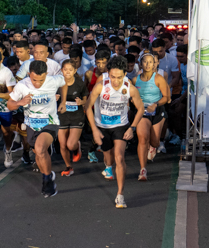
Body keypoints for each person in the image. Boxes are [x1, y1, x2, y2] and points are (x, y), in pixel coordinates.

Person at [85, 56, 145, 208]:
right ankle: (107, 166)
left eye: (119, 77)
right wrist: (94, 130)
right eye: (112, 77)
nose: (116, 81)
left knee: (119, 157)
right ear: (108, 73)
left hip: (120, 126)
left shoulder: (129, 88)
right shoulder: (100, 86)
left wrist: (132, 128)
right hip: (102, 127)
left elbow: (140, 109)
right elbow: (87, 107)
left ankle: (120, 195)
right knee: (109, 158)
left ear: (125, 74)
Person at [8, 60, 67, 198]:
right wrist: (19, 103)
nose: (38, 84)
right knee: (38, 154)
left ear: (46, 74)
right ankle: (48, 174)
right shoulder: (22, 85)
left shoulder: (53, 80)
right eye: (34, 80)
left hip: (50, 123)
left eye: (41, 80)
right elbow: (10, 105)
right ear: (29, 74)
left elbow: (64, 83)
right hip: (31, 125)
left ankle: (47, 181)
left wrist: (62, 101)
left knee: (40, 149)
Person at [133, 53, 170, 179]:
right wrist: (133, 101)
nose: (148, 65)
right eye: (145, 62)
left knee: (154, 142)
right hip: (142, 113)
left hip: (157, 111)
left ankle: (153, 146)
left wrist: (156, 104)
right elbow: (132, 96)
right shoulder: (135, 79)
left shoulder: (158, 78)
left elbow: (166, 97)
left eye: (150, 62)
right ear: (140, 64)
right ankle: (143, 170)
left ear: (154, 64)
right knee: (143, 138)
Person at [57, 59, 89, 177]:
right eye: (65, 70)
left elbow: (86, 98)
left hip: (76, 116)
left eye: (70, 70)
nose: (68, 72)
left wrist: (81, 101)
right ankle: (68, 166)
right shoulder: (57, 83)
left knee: (70, 145)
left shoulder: (79, 83)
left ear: (75, 70)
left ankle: (77, 147)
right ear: (61, 70)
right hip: (62, 116)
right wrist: (55, 98)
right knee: (62, 144)